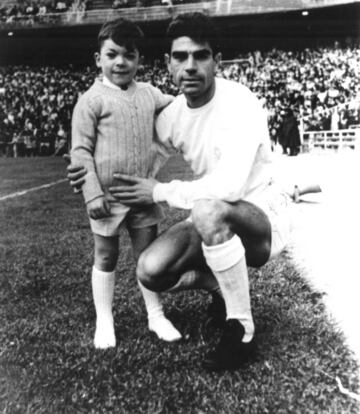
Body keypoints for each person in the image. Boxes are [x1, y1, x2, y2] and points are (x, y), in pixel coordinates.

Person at [67, 12, 291, 371]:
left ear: (217, 61)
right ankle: (219, 287)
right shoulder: (171, 115)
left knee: (208, 209)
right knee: (150, 269)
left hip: (262, 216)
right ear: (167, 64)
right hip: (213, 216)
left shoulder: (240, 101)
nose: (190, 66)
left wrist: (159, 192)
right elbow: (140, 154)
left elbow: (230, 187)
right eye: (180, 57)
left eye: (201, 55)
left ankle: (242, 328)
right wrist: (87, 170)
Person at [70, 18, 181, 349]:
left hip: (142, 194)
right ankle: (105, 321)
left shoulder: (149, 93)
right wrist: (91, 194)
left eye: (129, 55)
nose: (120, 62)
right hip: (106, 197)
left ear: (139, 60)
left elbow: (178, 107)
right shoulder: (90, 100)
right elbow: (80, 151)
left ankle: (156, 315)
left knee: (147, 257)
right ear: (98, 59)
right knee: (105, 256)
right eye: (112, 54)